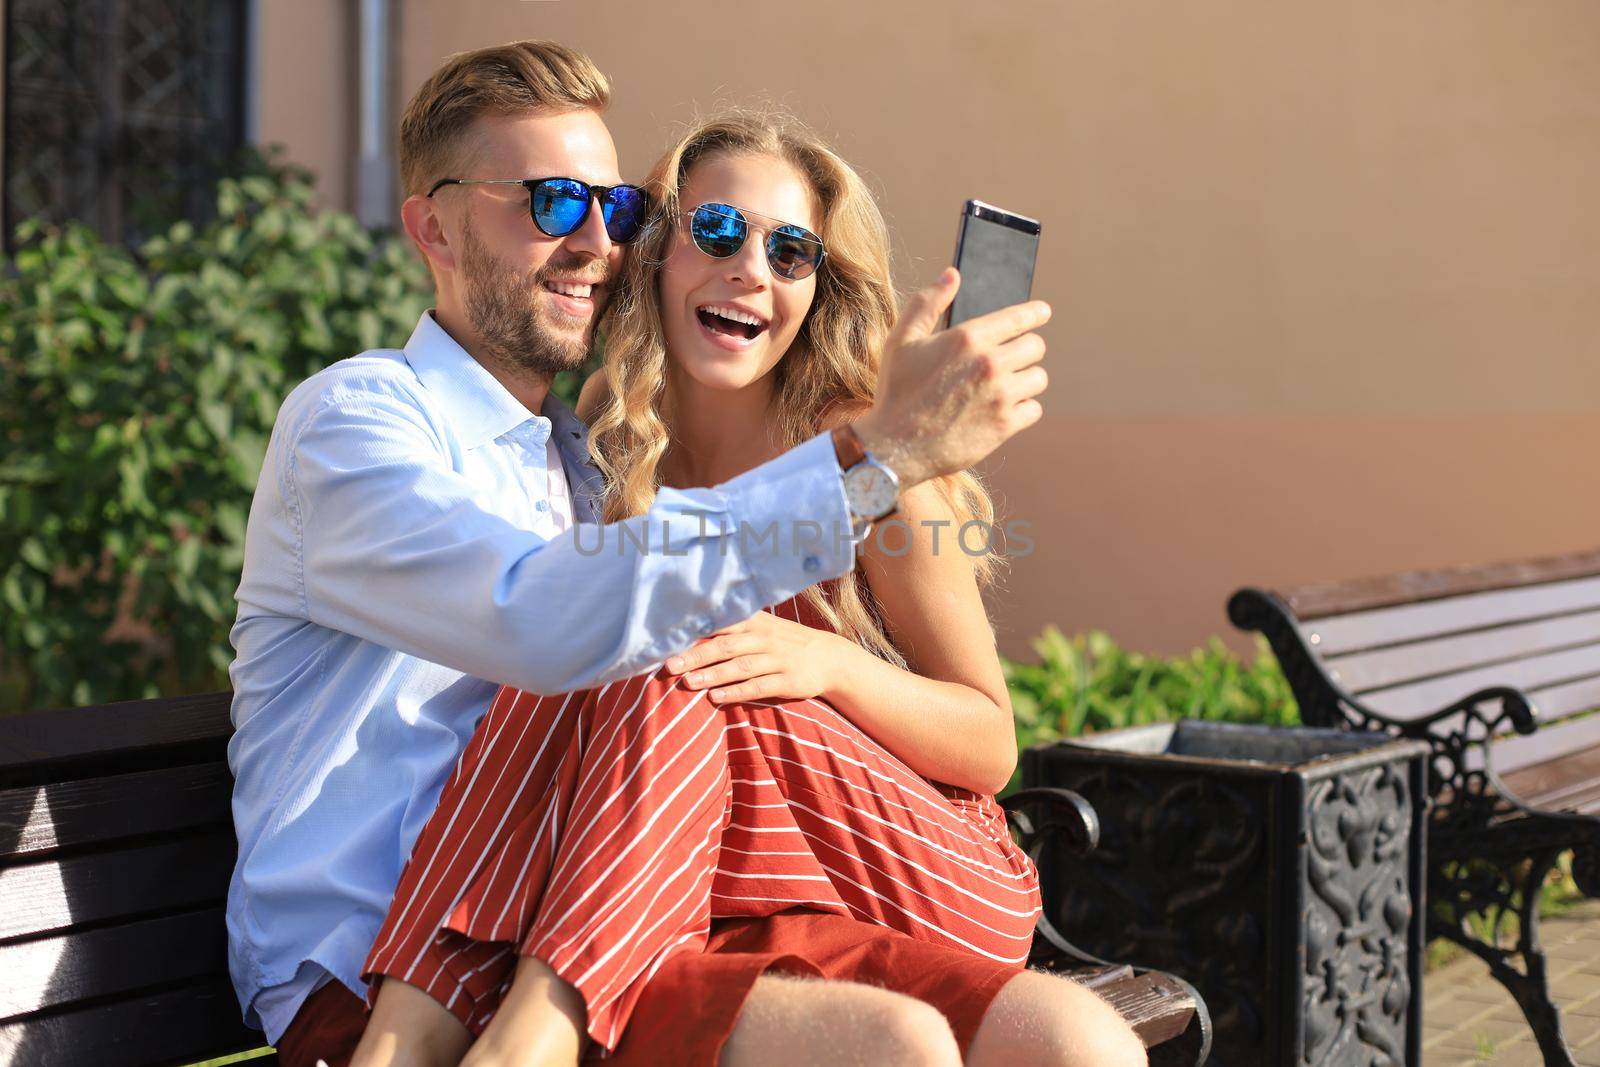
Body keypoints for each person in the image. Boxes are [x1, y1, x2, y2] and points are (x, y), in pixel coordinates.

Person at [227, 39, 1055, 1067]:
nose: (589, 239)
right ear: (430, 226)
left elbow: (974, 731)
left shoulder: (587, 464)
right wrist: (874, 458)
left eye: (611, 211)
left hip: (612, 933)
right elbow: (536, 615)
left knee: (1039, 1035)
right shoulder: (357, 421)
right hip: (370, 978)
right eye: (547, 203)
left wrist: (869, 499)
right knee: (634, 625)